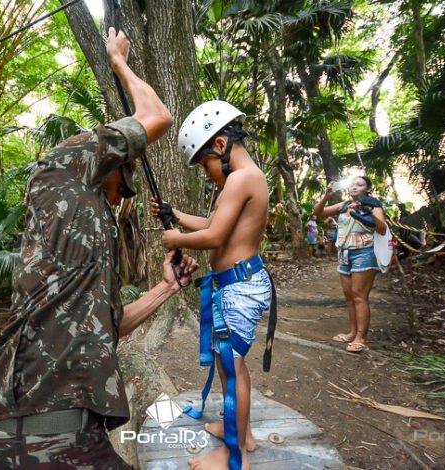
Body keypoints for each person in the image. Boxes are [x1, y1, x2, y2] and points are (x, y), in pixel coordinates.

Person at [0, 28, 200, 469]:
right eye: (121, 186)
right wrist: (118, 60)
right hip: (39, 437)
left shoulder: (83, 248)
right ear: (104, 160)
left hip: (38, 436)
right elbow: (157, 115)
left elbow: (111, 327)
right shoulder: (61, 169)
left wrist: (167, 288)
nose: (119, 198)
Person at [152, 100, 272, 470]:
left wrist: (176, 239)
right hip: (236, 284)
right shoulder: (246, 178)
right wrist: (176, 216)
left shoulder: (241, 179)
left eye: (204, 164)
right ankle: (241, 432)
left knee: (232, 370)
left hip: (240, 288)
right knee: (229, 366)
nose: (206, 173)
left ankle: (234, 456)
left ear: (220, 145)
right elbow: (211, 224)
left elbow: (215, 237)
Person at [312, 176, 387, 353]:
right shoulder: (344, 205)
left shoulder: (373, 205)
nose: (354, 187)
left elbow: (382, 229)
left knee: (359, 295)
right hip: (344, 253)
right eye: (352, 184)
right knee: (349, 296)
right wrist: (326, 195)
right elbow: (318, 212)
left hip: (364, 252)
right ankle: (352, 332)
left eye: (359, 185)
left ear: (368, 189)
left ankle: (361, 337)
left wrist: (365, 212)